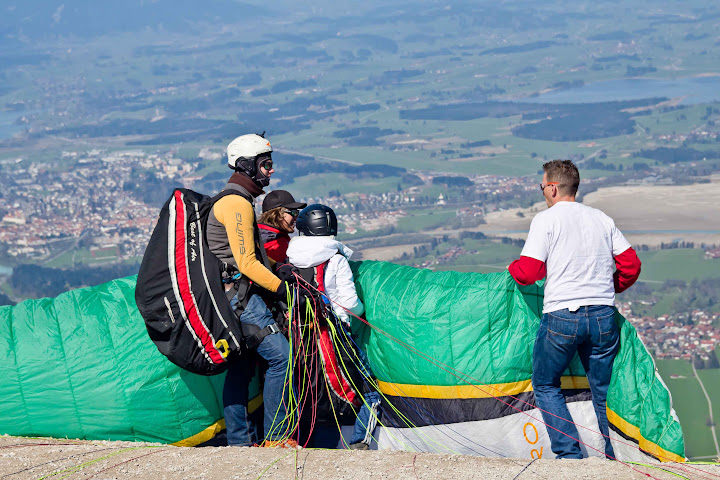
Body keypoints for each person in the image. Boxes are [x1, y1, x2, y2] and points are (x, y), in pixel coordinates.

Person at [508, 159, 641, 460]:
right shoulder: (602, 219)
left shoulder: (547, 220)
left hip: (562, 316)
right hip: (604, 316)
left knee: (544, 383)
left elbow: (528, 272)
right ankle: (614, 455)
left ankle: (570, 456)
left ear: (553, 188)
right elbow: (631, 265)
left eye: (542, 186)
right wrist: (610, 289)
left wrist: (512, 268)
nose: (542, 191)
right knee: (603, 390)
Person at [205, 133, 298, 448]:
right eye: (266, 164)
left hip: (229, 298)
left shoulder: (232, 200)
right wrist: (283, 288)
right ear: (247, 165)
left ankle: (241, 444)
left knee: (241, 368)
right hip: (241, 300)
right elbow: (245, 262)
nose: (271, 171)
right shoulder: (236, 203)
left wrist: (275, 270)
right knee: (282, 358)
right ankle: (277, 438)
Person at [286, 204, 381, 450]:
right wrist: (363, 313)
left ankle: (303, 441)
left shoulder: (291, 258)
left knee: (307, 391)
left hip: (300, 337)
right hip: (335, 335)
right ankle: (360, 441)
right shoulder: (335, 259)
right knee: (371, 390)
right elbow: (349, 303)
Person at [258, 190, 307, 263]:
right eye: (293, 213)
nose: (296, 218)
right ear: (277, 214)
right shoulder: (277, 244)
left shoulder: (257, 236)